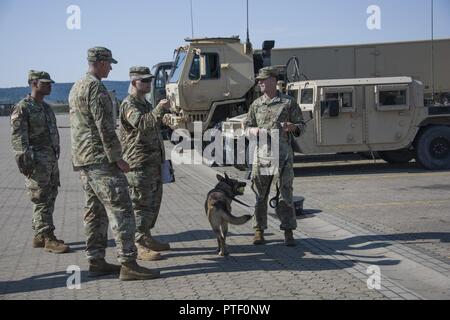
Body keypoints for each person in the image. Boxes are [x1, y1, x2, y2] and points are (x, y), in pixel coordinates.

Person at [69, 47, 159, 281]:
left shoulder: (76, 86)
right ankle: (128, 263)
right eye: (109, 63)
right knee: (122, 210)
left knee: (95, 211)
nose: (111, 67)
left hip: (84, 160)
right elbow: (104, 127)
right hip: (101, 160)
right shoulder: (95, 87)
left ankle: (96, 260)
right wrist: (117, 158)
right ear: (99, 62)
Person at [245, 66, 306, 247]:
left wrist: (292, 127)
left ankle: (288, 232)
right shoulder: (256, 105)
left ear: (273, 80)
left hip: (283, 157)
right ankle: (259, 231)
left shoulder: (288, 103)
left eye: (263, 80)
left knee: (285, 195)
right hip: (262, 156)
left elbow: (301, 125)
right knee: (260, 195)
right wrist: (253, 130)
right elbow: (246, 127)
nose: (260, 83)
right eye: (259, 80)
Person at [10, 70, 70, 254]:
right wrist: (26, 164)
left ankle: (39, 235)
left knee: (49, 197)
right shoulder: (23, 108)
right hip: (36, 163)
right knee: (41, 199)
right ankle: (48, 238)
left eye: (50, 83)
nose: (49, 86)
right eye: (45, 83)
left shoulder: (45, 107)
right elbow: (19, 139)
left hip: (50, 161)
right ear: (34, 83)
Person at [119, 66, 171, 261]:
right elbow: (141, 123)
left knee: (152, 204)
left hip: (153, 162)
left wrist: (168, 118)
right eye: (144, 81)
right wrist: (159, 109)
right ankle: (138, 244)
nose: (149, 84)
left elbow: (152, 123)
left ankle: (146, 237)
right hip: (138, 164)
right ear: (134, 82)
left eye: (150, 80)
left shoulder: (144, 103)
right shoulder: (129, 104)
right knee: (140, 204)